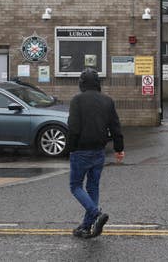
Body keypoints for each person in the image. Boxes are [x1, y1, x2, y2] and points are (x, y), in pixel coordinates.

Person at [68, 68, 125, 239]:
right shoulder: (107, 101)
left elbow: (74, 127)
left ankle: (96, 213)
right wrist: (119, 148)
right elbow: (115, 126)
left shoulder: (77, 100)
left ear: (82, 84)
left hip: (81, 151)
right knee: (92, 187)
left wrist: (70, 148)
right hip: (99, 151)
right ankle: (86, 226)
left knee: (76, 186)